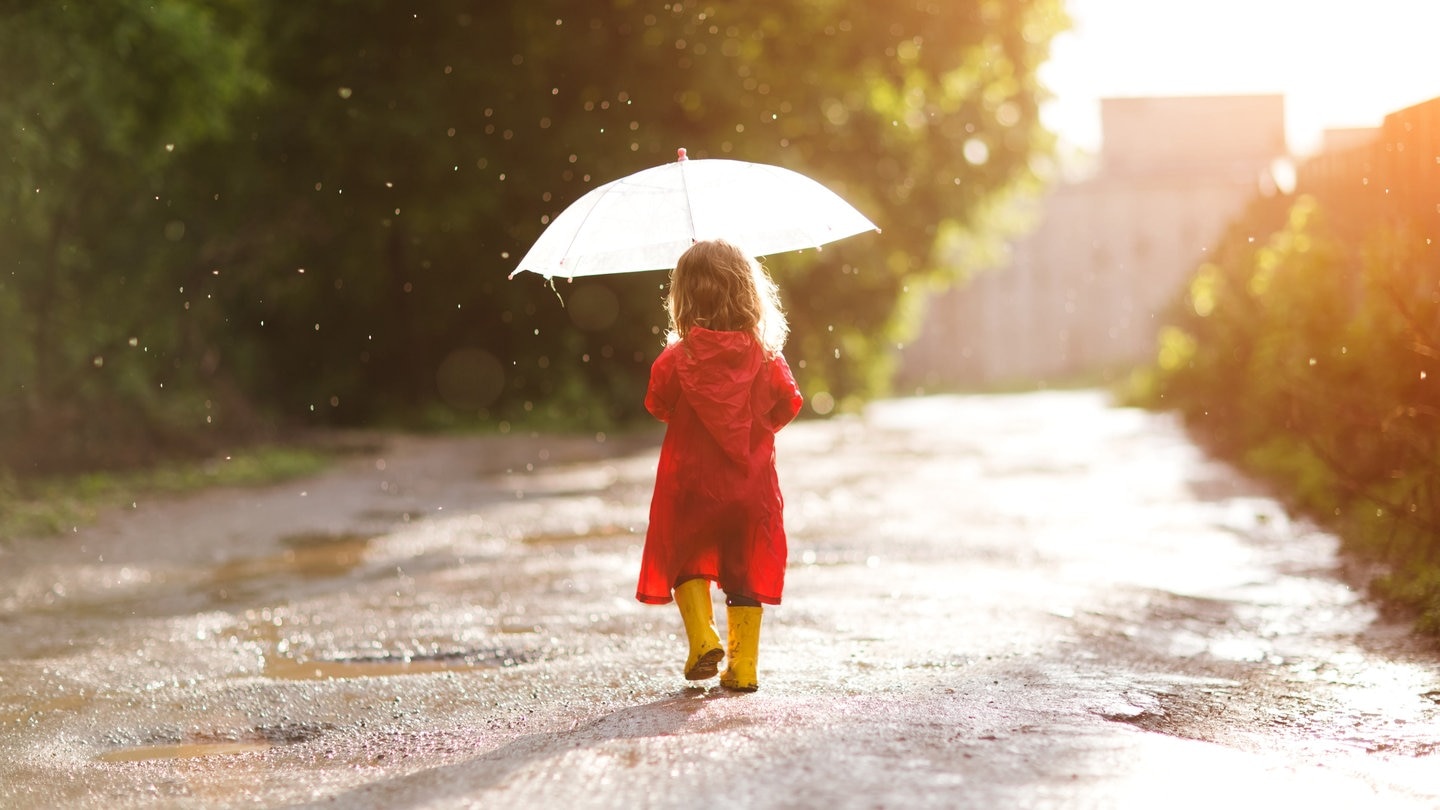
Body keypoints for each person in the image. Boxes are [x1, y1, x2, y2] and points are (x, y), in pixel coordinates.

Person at [636, 239, 804, 692]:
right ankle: (743, 666)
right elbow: (788, 405)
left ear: (683, 298)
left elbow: (657, 403)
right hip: (750, 487)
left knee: (685, 556)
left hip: (690, 483)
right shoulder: (767, 358)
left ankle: (703, 640)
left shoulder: (676, 359)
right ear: (750, 293)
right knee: (745, 568)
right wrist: (751, 429)